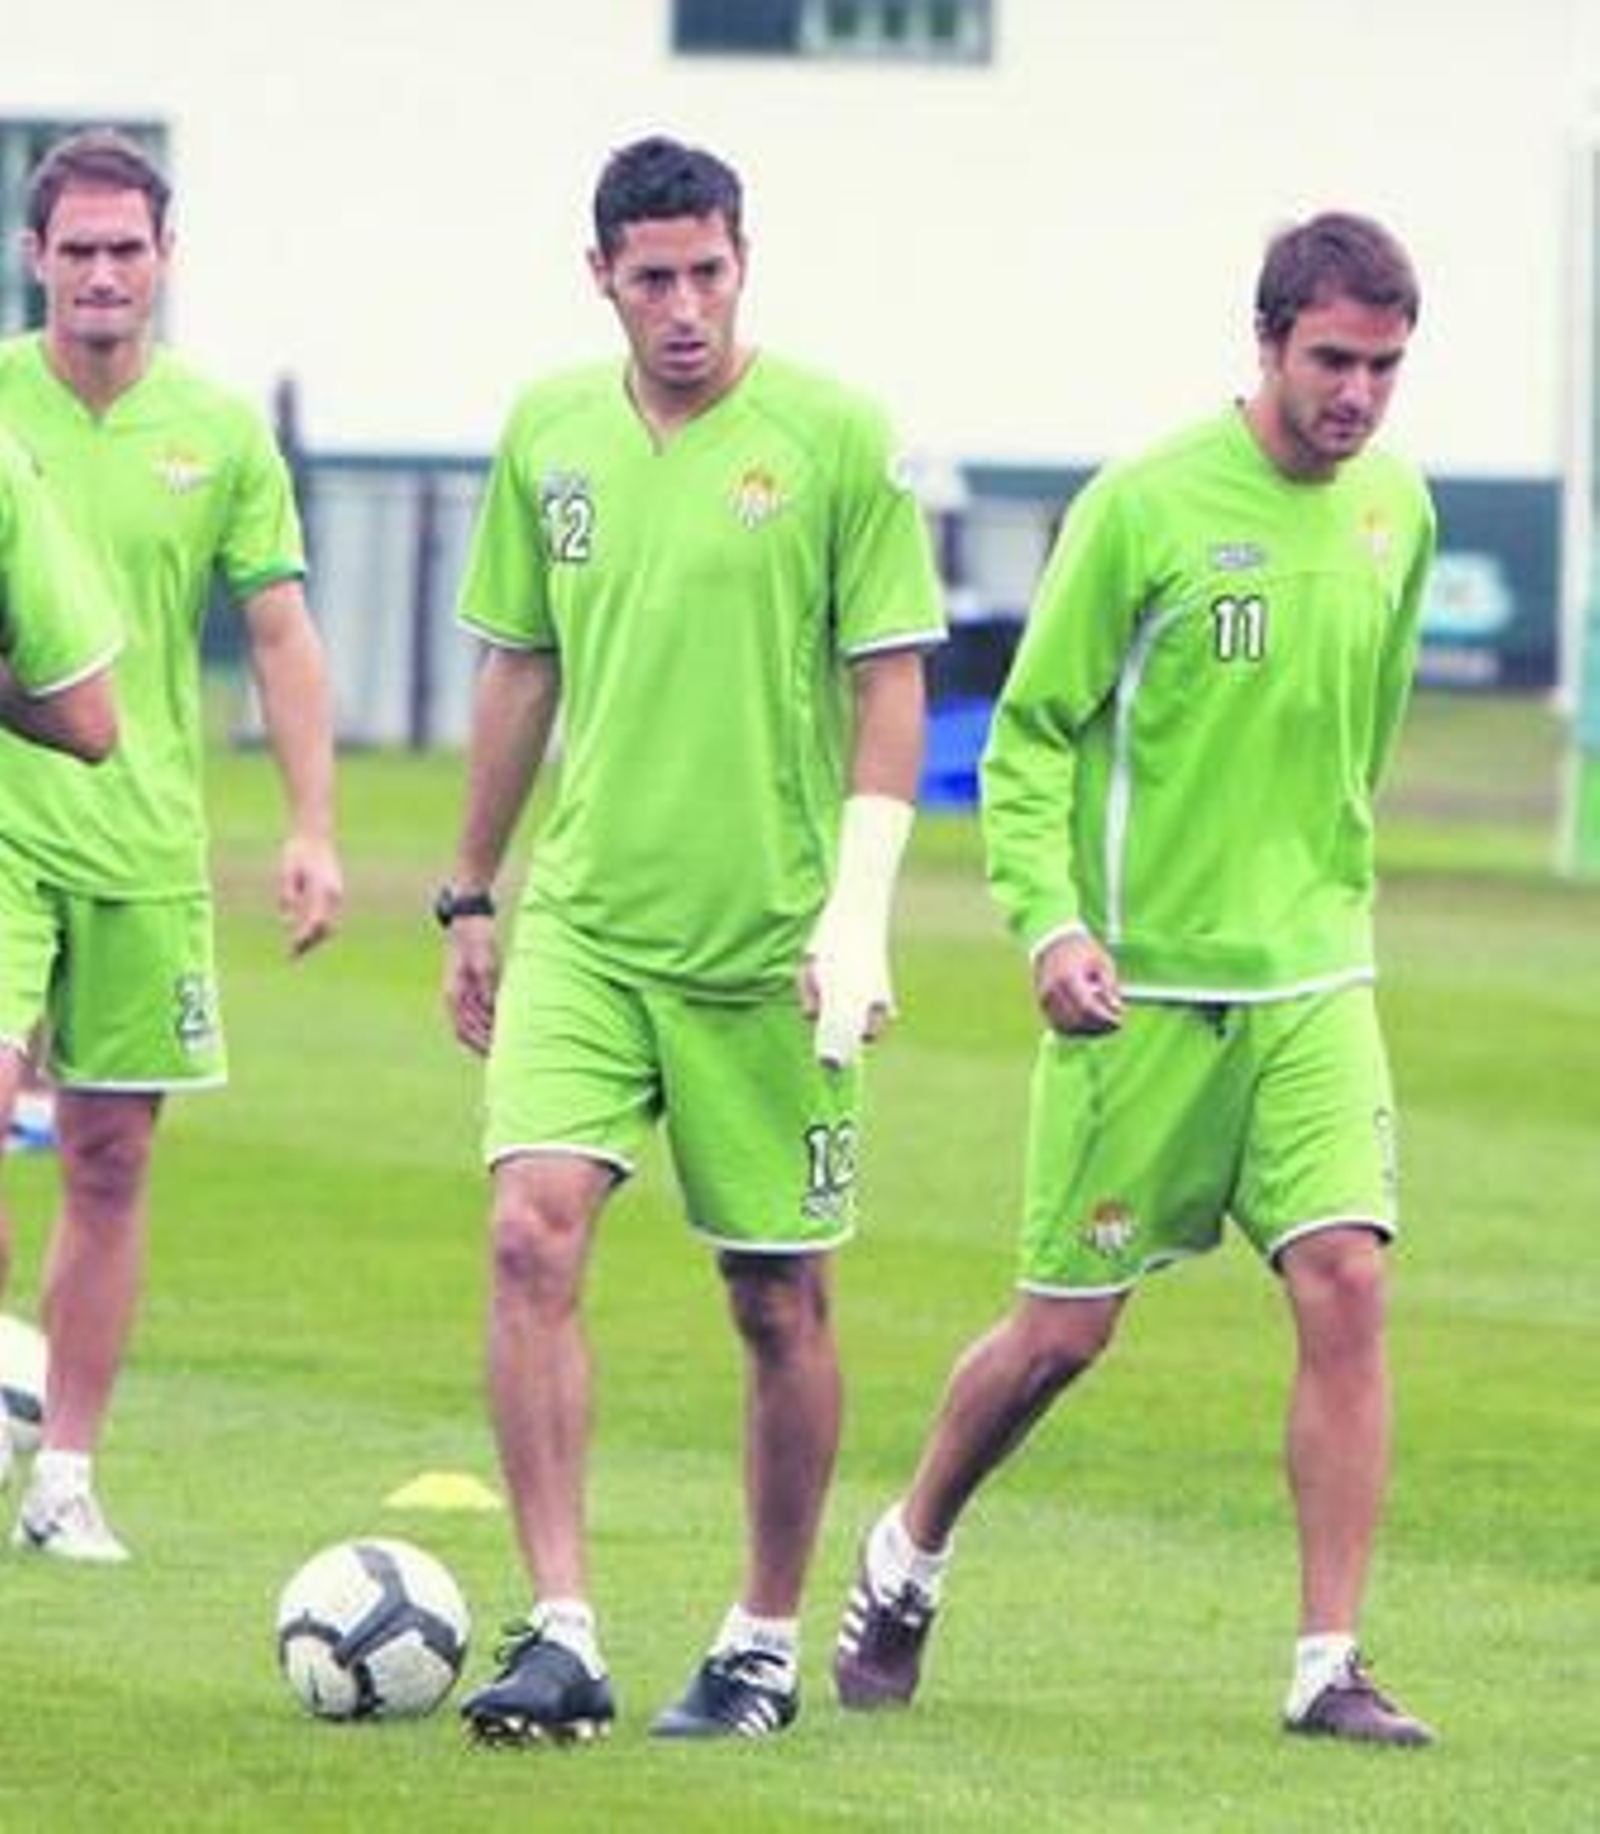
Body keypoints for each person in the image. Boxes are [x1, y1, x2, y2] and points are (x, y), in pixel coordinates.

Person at [833, 211, 1438, 1748]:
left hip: (1315, 983)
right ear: (1268, 342)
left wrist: (1315, 893)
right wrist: (1052, 926)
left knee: (1349, 1279)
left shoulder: (1399, 513)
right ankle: (907, 1549)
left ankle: (1328, 1661)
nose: (1358, 394)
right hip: (1137, 998)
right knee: (1060, 1338)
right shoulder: (1144, 505)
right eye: (1332, 360)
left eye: (1384, 366)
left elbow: (1361, 738)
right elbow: (1032, 734)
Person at [442, 133, 945, 1745]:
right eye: (651, 276)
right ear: (600, 274)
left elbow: (889, 681)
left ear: (744, 263)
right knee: (529, 1233)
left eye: (707, 272)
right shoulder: (548, 432)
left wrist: (857, 915)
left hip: (768, 949)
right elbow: (520, 665)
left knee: (776, 1300)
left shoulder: (835, 437)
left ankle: (761, 1641)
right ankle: (561, 1629)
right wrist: (471, 888)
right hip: (587, 924)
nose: (682, 305)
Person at [0, 128, 343, 1558]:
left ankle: (65, 1475)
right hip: (4, 827)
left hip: (144, 842)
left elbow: (279, 631)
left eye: (125, 249)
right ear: (34, 256)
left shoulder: (221, 433)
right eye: (76, 249)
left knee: (109, 1161)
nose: (101, 273)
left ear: (165, 259)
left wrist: (312, 826)